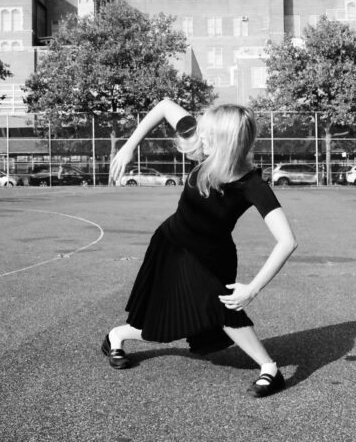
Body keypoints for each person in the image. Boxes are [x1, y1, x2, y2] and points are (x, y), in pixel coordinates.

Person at [103, 98, 298, 398]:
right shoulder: (202, 141)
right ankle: (116, 335)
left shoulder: (252, 185)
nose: (196, 138)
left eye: (207, 135)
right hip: (173, 246)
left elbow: (287, 241)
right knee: (172, 322)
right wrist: (129, 146)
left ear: (225, 143)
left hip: (213, 256)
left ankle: (270, 369)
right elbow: (165, 106)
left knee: (219, 308)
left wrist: (253, 289)